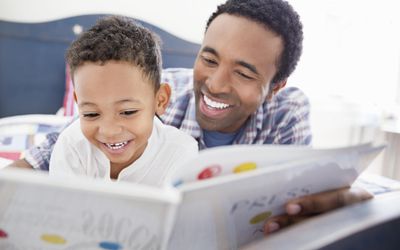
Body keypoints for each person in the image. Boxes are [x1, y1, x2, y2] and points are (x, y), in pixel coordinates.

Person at [8, 0, 373, 235]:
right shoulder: (155, 89)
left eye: (244, 73)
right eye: (209, 59)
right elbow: (59, 146)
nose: (214, 84)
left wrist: (341, 201)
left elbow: (306, 195)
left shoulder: (286, 112)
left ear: (275, 86)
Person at [48, 16, 198, 186]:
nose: (109, 131)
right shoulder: (71, 146)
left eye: (128, 112)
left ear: (160, 100)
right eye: (91, 114)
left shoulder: (180, 153)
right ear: (77, 103)